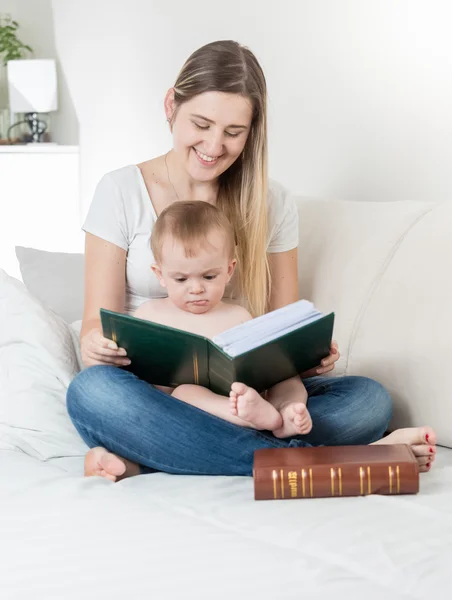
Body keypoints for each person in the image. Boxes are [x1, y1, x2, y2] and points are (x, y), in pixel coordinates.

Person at [66, 40, 436, 482]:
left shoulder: (272, 202)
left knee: (368, 399)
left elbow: (284, 321)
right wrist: (96, 345)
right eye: (201, 124)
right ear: (171, 104)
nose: (213, 145)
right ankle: (333, 465)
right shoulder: (120, 191)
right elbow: (95, 323)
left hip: (249, 395)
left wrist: (308, 356)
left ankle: (157, 456)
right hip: (156, 396)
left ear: (252, 130)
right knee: (93, 393)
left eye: (233, 132)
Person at [135, 200, 313, 438]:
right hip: (187, 415)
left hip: (244, 395)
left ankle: (287, 412)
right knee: (185, 391)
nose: (196, 288)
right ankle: (258, 421)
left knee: (288, 378)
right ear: (160, 275)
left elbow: (261, 368)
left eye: (209, 276)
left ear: (229, 270)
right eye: (180, 279)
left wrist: (304, 357)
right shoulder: (148, 314)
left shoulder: (238, 316)